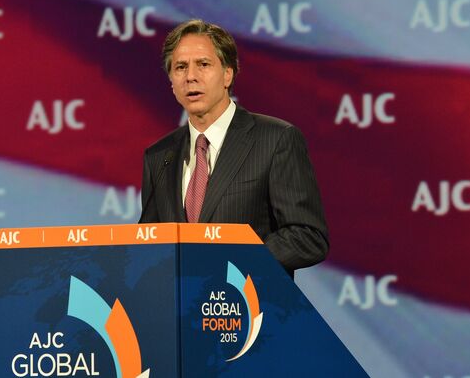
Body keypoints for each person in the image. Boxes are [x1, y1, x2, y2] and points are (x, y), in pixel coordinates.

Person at [139, 19, 328, 276]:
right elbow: (150, 243)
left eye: (203, 64)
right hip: (184, 300)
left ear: (227, 74)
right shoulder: (159, 156)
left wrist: (236, 261)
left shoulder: (275, 140)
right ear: (171, 81)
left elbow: (308, 236)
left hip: (249, 297)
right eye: (180, 67)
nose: (191, 76)